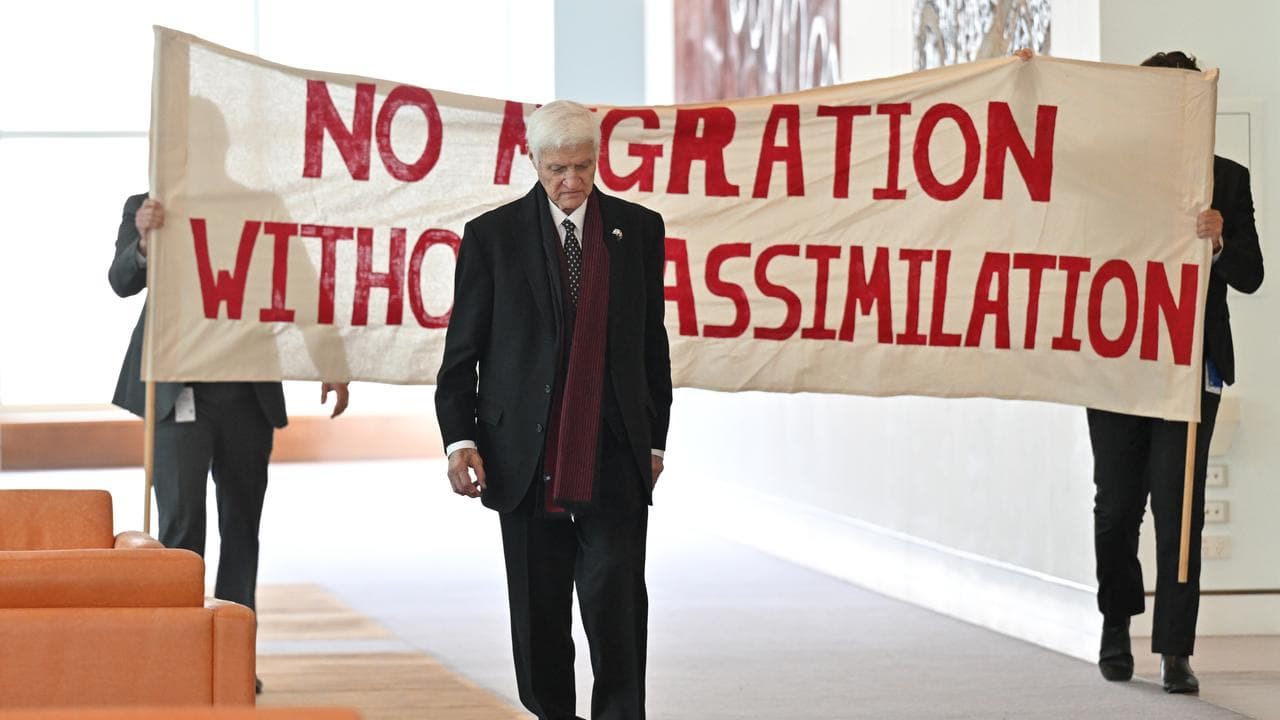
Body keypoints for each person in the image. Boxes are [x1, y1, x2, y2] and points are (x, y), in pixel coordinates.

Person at [435, 100, 672, 720]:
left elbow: (652, 346)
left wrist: (656, 443)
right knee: (540, 625)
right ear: (532, 162)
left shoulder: (639, 230)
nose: (571, 182)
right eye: (557, 168)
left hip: (615, 454)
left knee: (617, 613)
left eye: (583, 166)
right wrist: (460, 442)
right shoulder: (493, 238)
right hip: (526, 458)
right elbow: (463, 354)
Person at [110, 193, 349, 691]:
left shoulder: (259, 205)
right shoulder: (149, 204)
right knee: (180, 529)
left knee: (241, 527)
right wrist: (145, 243)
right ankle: (179, 656)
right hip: (178, 392)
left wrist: (329, 358)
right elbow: (121, 281)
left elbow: (301, 284)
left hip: (246, 391)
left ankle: (233, 657)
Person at [1088, 51, 1264, 694]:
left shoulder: (1230, 180)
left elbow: (1251, 276)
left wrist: (1220, 239)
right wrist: (1028, 78)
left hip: (1191, 370)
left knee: (1179, 513)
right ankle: (1115, 623)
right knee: (1116, 510)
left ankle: (1175, 651)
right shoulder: (1111, 173)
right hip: (1115, 365)